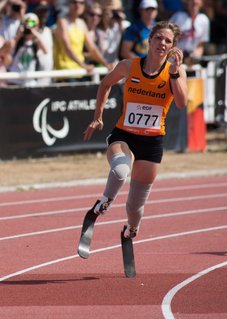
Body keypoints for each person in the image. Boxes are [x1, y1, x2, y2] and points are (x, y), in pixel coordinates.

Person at [82, 21, 187, 240]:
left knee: (135, 206)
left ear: (173, 47)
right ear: (149, 40)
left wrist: (175, 73)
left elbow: (181, 103)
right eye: (158, 37)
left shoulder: (175, 72)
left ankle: (131, 230)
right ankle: (102, 204)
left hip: (152, 142)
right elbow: (105, 84)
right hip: (125, 135)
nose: (162, 43)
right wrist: (97, 116)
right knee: (120, 171)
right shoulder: (129, 65)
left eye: (168, 41)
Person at [169, 0, 210, 65]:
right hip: (174, 60)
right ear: (187, 2)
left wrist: (196, 56)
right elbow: (168, 39)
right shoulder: (178, 16)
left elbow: (201, 44)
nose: (194, 2)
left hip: (192, 62)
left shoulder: (204, 19)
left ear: (201, 3)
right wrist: (177, 55)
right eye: (192, 1)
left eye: (197, 1)